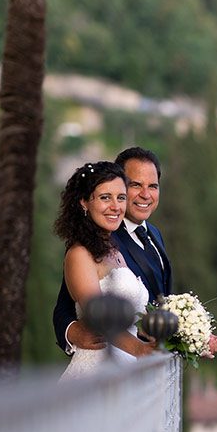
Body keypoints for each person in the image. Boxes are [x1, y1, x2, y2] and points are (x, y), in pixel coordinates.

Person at [52, 146, 217, 356]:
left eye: (153, 186)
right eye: (135, 185)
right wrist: (71, 332)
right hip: (111, 358)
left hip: (148, 365)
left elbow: (155, 306)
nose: (145, 194)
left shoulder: (154, 234)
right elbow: (66, 306)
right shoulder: (94, 239)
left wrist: (194, 337)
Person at [53, 161, 155, 380]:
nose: (116, 207)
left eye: (120, 198)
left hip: (126, 368)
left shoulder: (114, 250)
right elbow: (100, 318)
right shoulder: (79, 254)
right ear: (83, 203)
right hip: (97, 370)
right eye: (105, 197)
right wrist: (140, 350)